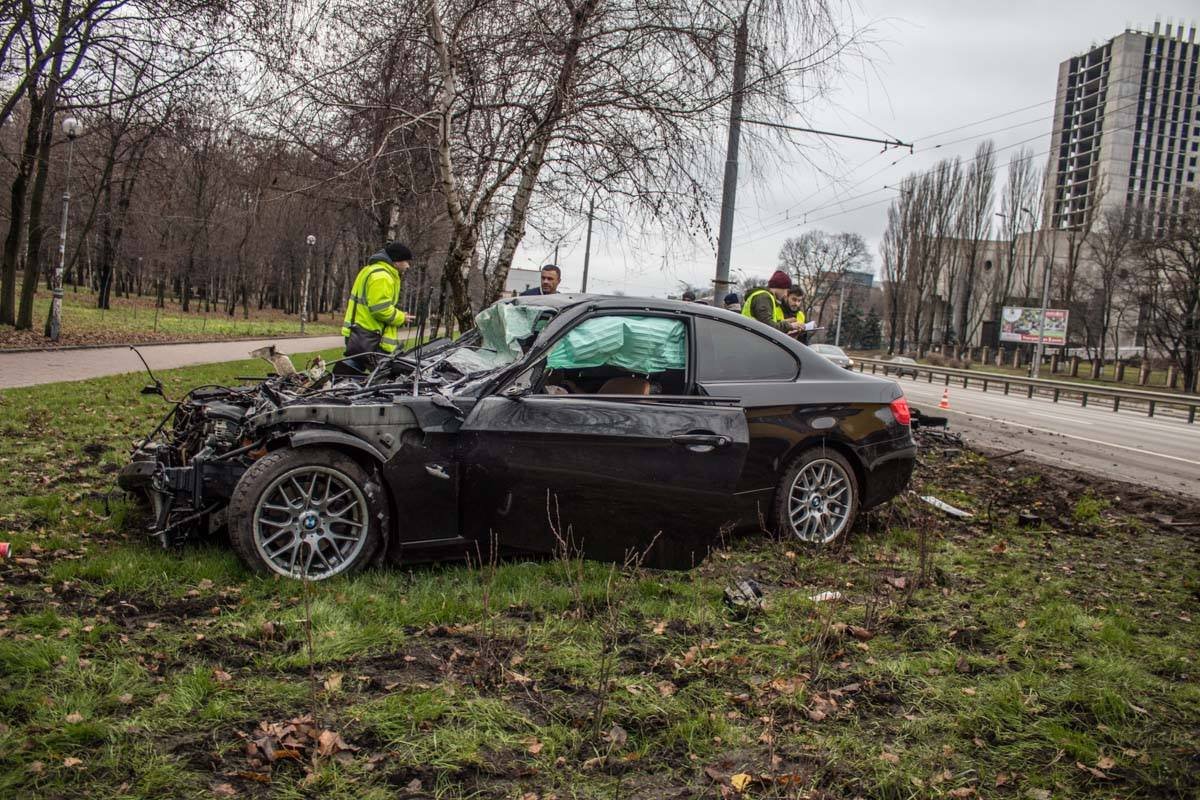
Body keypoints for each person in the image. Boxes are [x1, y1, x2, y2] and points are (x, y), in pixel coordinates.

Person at [341, 241, 412, 359]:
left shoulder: (370, 270)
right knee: (381, 374)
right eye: (406, 261)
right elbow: (380, 309)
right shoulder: (382, 277)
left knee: (352, 371)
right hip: (369, 335)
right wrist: (401, 317)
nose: (408, 266)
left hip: (359, 332)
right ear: (397, 261)